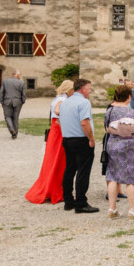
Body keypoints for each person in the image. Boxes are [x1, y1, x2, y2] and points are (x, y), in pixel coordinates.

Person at [25, 80, 73, 204]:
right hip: (59, 132)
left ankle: (52, 188)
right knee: (59, 161)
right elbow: (58, 111)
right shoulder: (62, 100)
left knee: (53, 161)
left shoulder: (57, 98)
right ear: (69, 90)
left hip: (55, 132)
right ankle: (55, 190)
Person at [103, 84, 134, 219]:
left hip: (113, 145)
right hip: (129, 147)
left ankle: (112, 209)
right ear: (128, 97)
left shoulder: (110, 111)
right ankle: (133, 211)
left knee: (113, 176)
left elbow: (106, 127)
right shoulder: (131, 112)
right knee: (131, 178)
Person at [59, 78, 98, 213]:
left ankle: (68, 200)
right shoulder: (84, 102)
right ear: (83, 89)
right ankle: (81, 202)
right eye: (89, 88)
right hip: (81, 139)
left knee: (69, 170)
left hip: (67, 139)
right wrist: (91, 139)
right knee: (83, 171)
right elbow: (84, 122)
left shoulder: (65, 102)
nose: (90, 90)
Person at [0, 70, 27, 139]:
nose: (20, 76)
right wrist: (22, 101)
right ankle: (15, 133)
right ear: (16, 75)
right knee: (15, 117)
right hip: (18, 102)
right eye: (19, 74)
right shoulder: (22, 83)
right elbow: (24, 94)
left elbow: (1, 92)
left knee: (7, 117)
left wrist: (2, 101)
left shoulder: (5, 81)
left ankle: (12, 129)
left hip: (7, 101)